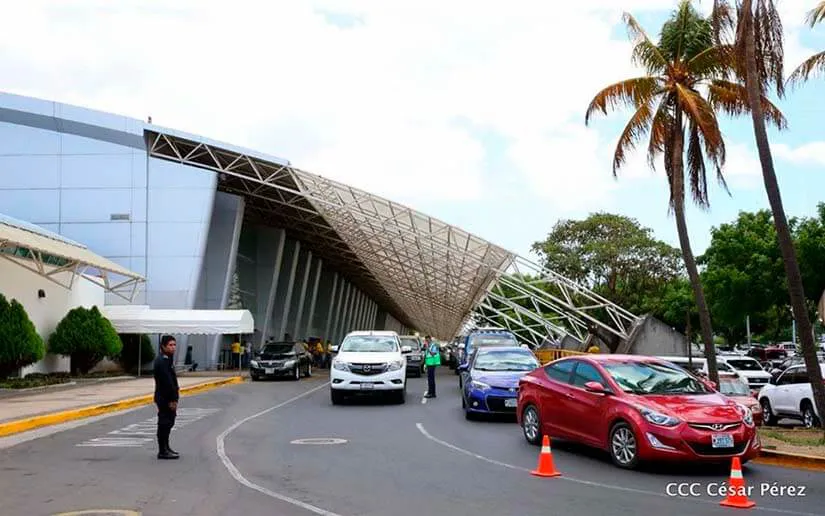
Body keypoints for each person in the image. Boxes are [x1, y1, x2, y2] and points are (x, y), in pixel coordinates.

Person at [154, 335, 180, 460]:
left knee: (169, 422)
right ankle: (162, 450)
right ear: (163, 346)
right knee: (164, 423)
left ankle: (166, 447)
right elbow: (167, 382)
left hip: (167, 396)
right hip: (165, 397)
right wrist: (172, 399)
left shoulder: (168, 359)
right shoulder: (162, 361)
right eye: (170, 345)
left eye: (174, 345)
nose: (173, 347)